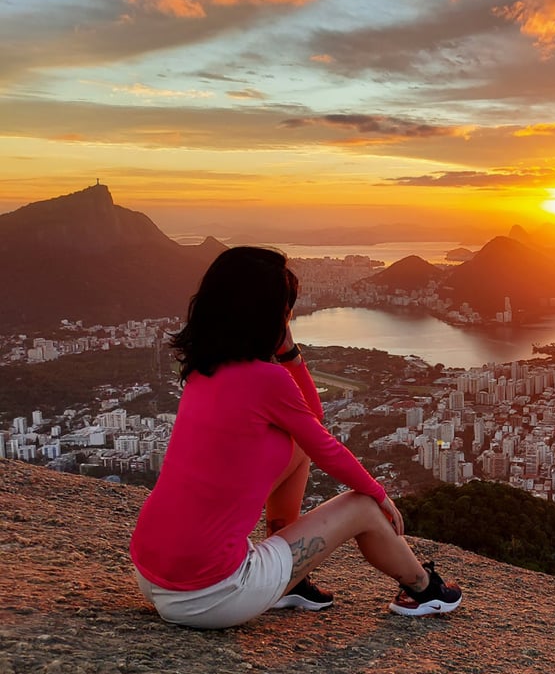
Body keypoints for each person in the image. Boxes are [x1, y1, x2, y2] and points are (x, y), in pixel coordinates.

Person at [130, 246, 461, 629]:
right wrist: (378, 494)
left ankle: (291, 583)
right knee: (363, 507)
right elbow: (325, 444)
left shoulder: (201, 369)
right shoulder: (265, 380)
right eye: (286, 308)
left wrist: (289, 354)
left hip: (151, 574)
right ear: (269, 315)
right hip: (213, 595)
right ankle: (424, 590)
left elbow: (309, 422)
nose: (289, 315)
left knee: (297, 446)